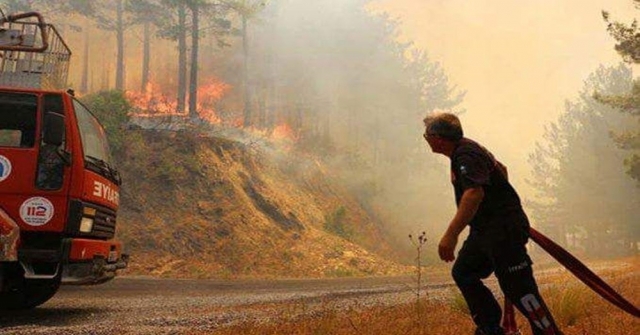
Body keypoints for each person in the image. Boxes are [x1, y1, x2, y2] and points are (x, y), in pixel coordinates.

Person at [422, 112, 562, 335]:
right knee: (464, 272)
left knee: (520, 290)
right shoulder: (465, 150)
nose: (425, 139)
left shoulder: (465, 154)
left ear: (438, 138)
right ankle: (489, 328)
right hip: (486, 231)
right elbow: (502, 169)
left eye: (426, 135)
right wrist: (499, 202)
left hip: (503, 232)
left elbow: (473, 193)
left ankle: (548, 332)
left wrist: (451, 234)